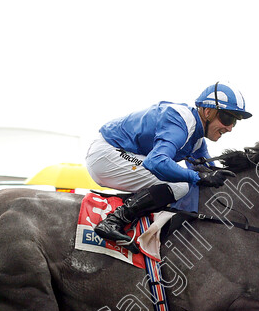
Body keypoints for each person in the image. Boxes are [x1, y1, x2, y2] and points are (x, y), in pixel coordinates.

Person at [85, 82, 250, 247]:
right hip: (107, 153)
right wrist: (198, 176)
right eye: (227, 118)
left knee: (187, 184)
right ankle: (115, 221)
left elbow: (209, 174)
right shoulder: (181, 122)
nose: (229, 128)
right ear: (207, 112)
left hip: (118, 156)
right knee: (181, 186)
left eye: (234, 122)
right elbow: (156, 162)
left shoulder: (197, 140)